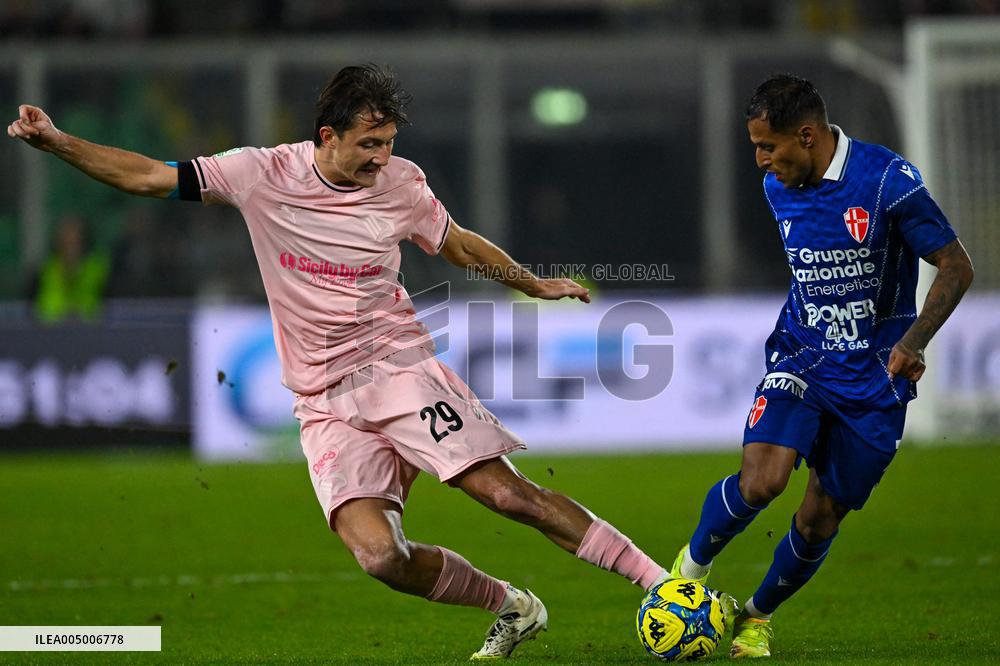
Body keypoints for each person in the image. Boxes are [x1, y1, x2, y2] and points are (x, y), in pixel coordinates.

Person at [8, 64, 684, 660]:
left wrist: (531, 283)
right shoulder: (261, 173)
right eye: (369, 144)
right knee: (380, 557)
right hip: (323, 399)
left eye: (389, 144)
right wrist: (60, 143)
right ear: (326, 136)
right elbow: (151, 177)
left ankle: (664, 586)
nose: (381, 159)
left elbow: (454, 244)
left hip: (398, 369)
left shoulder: (403, 186)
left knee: (505, 493)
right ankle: (513, 605)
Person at [668, 74, 974, 658]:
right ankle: (687, 570)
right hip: (802, 355)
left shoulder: (887, 181)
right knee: (763, 481)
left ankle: (755, 617)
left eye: (768, 146)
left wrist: (913, 340)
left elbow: (956, 266)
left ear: (806, 136)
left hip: (874, 378)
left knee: (818, 520)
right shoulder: (778, 186)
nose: (760, 161)